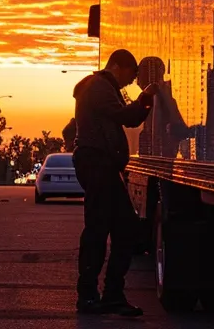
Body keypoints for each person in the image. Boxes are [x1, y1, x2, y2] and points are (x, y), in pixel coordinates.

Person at [71, 49, 156, 316]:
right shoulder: (99, 87)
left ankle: (110, 295)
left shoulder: (98, 87)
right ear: (117, 67)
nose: (130, 82)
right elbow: (128, 118)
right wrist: (147, 98)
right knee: (100, 230)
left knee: (122, 229)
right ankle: (90, 295)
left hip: (101, 165)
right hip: (97, 165)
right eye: (131, 76)